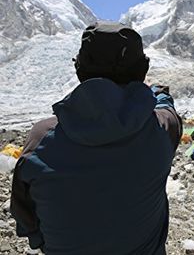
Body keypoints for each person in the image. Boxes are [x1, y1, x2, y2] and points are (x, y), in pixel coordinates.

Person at [10, 21, 182, 255]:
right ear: (142, 71)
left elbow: (24, 214)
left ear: (80, 69)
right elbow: (167, 108)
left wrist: (43, 243)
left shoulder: (41, 137)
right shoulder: (162, 129)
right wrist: (155, 94)